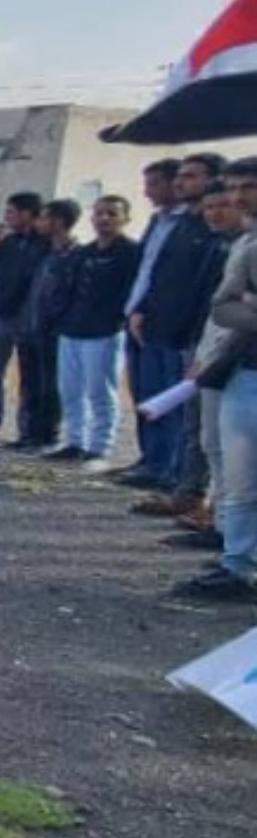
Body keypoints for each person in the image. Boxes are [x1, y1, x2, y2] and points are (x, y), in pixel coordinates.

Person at [177, 161, 257, 602]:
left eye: (248, 187)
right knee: (239, 472)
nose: (240, 197)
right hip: (242, 368)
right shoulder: (245, 244)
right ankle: (237, 563)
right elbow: (223, 308)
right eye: (234, 188)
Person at [122, 156, 220, 490]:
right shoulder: (177, 224)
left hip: (188, 331)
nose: (180, 182)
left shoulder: (211, 229)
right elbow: (156, 272)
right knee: (152, 398)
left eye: (190, 176)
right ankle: (155, 463)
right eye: (179, 176)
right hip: (153, 324)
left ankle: (180, 478)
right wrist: (140, 309)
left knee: (182, 410)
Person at [46, 197, 142, 467]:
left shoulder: (131, 253)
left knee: (100, 391)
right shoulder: (83, 253)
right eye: (99, 213)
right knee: (70, 389)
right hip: (71, 329)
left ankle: (100, 447)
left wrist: (118, 318)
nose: (104, 219)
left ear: (125, 219)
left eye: (111, 214)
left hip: (104, 332)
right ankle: (75, 441)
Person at [0, 194, 49, 441]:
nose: (6, 217)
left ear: (27, 214)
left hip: (26, 318)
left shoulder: (43, 244)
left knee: (29, 377)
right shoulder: (8, 243)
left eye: (11, 212)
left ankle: (26, 429)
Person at [17, 200, 80, 454]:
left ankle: (47, 436)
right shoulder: (44, 252)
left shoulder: (74, 255)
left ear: (59, 222)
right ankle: (30, 434)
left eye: (44, 218)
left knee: (49, 386)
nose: (39, 224)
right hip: (31, 327)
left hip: (53, 331)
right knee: (31, 384)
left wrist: (55, 322)